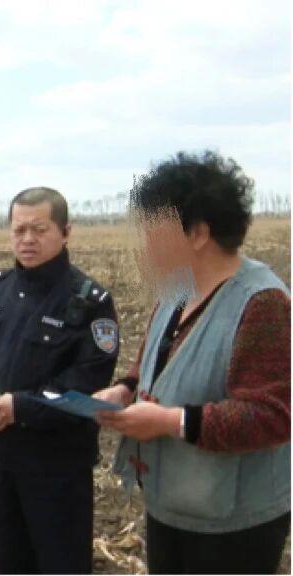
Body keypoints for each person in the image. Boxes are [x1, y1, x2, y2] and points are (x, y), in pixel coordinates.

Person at [96, 151, 290, 574]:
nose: (144, 242)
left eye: (153, 228)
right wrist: (124, 390)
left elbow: (272, 415)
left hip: (233, 524)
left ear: (198, 232)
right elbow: (154, 365)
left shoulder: (263, 303)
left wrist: (171, 422)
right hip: (172, 502)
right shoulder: (175, 291)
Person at [0, 186, 119, 574]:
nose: (27, 239)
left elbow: (88, 379)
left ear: (66, 232)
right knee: (9, 563)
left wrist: (21, 406)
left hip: (56, 467)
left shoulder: (89, 302)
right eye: (19, 230)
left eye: (39, 229)